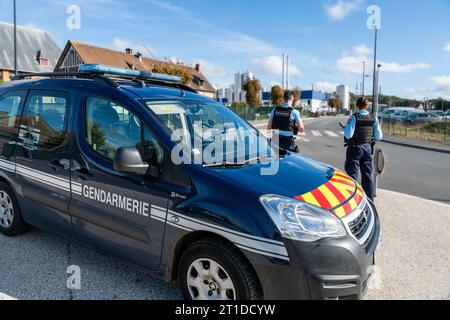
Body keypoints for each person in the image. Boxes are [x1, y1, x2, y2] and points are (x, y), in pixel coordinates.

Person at [344, 97, 383, 201]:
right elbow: (379, 136)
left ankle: (353, 200)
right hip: (367, 148)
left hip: (355, 149)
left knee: (352, 176)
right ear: (367, 106)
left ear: (357, 106)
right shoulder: (374, 118)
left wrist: (347, 125)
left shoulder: (354, 117)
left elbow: (348, 135)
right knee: (367, 176)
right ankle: (369, 200)